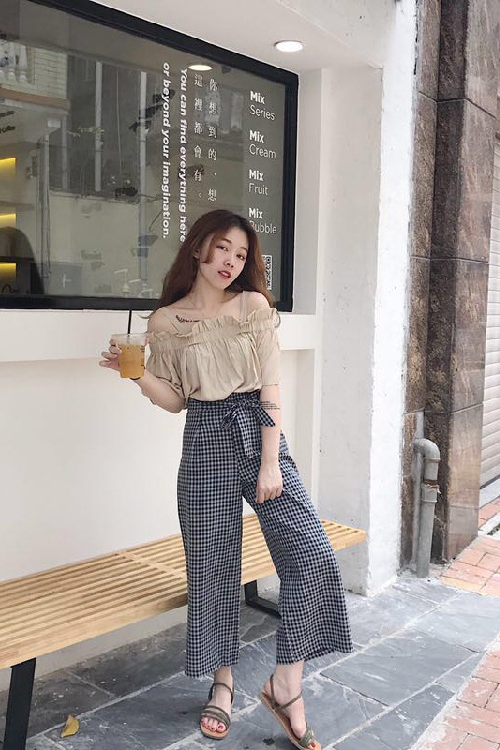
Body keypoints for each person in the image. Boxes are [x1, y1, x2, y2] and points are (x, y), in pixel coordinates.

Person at [99, 209, 352, 749]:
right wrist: (136, 375)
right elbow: (175, 400)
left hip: (257, 432)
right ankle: (223, 682)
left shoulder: (252, 306)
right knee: (213, 566)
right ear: (198, 248)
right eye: (222, 248)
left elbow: (270, 387)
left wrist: (269, 461)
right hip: (205, 437)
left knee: (311, 553)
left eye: (241, 254)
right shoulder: (165, 322)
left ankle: (287, 685)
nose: (231, 262)